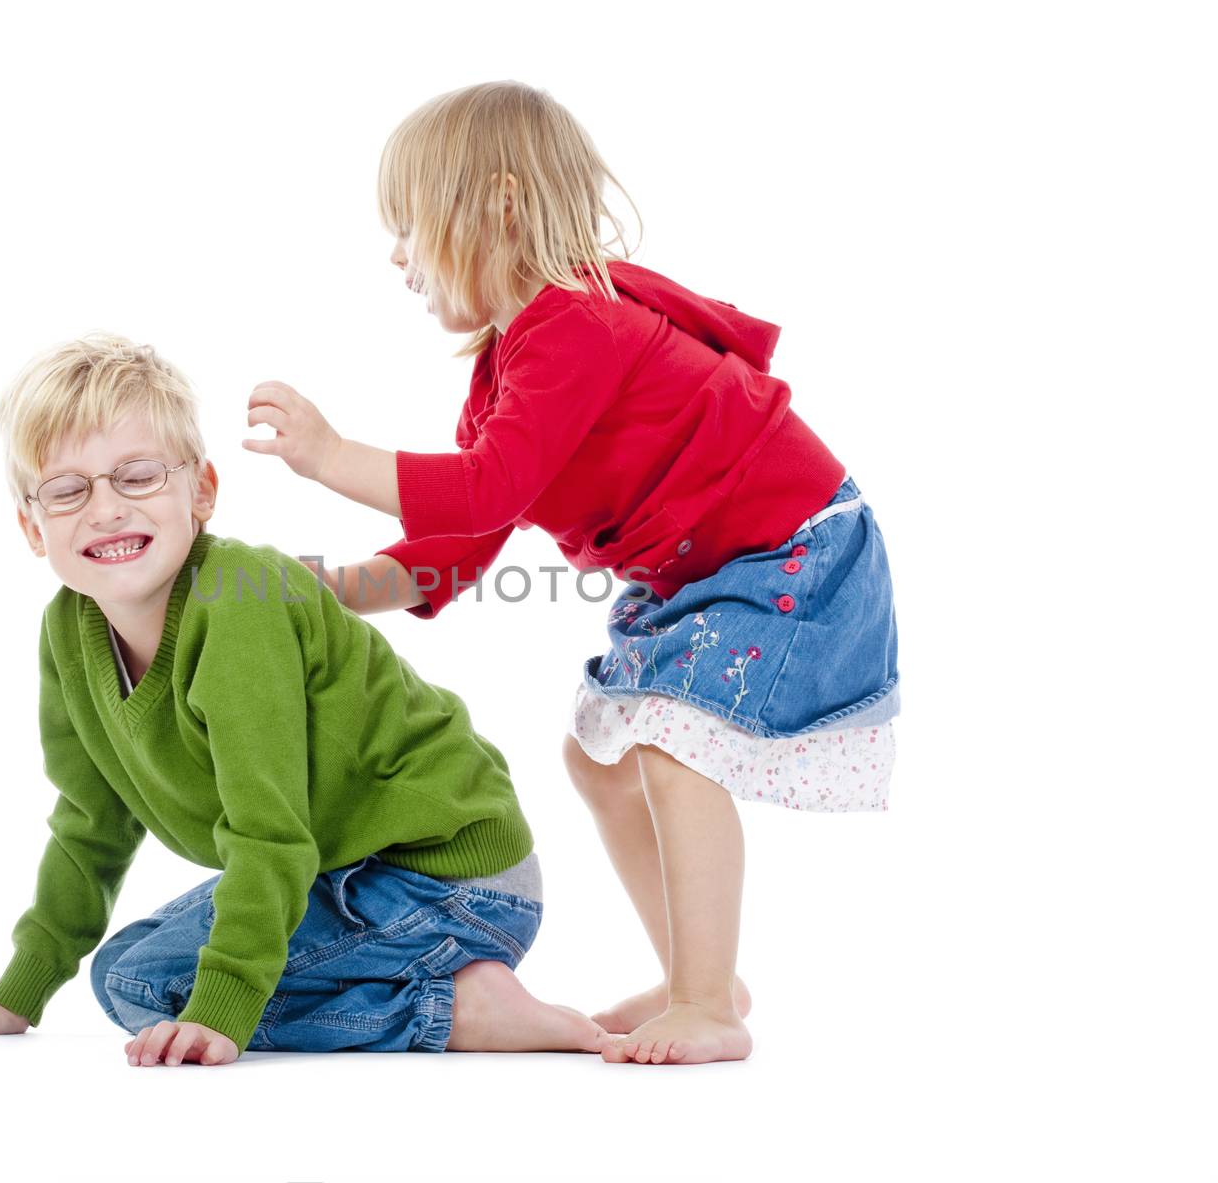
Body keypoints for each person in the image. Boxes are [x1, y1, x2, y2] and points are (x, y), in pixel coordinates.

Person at [243, 80, 900, 1066]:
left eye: (408, 226)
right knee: (596, 758)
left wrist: (333, 455)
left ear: (498, 205)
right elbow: (462, 539)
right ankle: (704, 976)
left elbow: (480, 486)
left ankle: (705, 1004)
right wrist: (334, 591)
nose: (395, 256)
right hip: (703, 567)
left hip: (789, 547)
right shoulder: (510, 367)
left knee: (677, 746)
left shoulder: (574, 324)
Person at [0, 333, 608, 1065]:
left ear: (202, 493)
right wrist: (15, 996)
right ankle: (436, 988)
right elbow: (90, 825)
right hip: (339, 868)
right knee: (128, 969)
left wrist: (224, 1012)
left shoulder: (237, 601)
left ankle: (452, 1008)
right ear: (34, 528)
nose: (105, 510)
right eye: (67, 490)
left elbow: (270, 832)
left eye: (138, 477)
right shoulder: (68, 630)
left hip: (453, 876)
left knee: (151, 986)